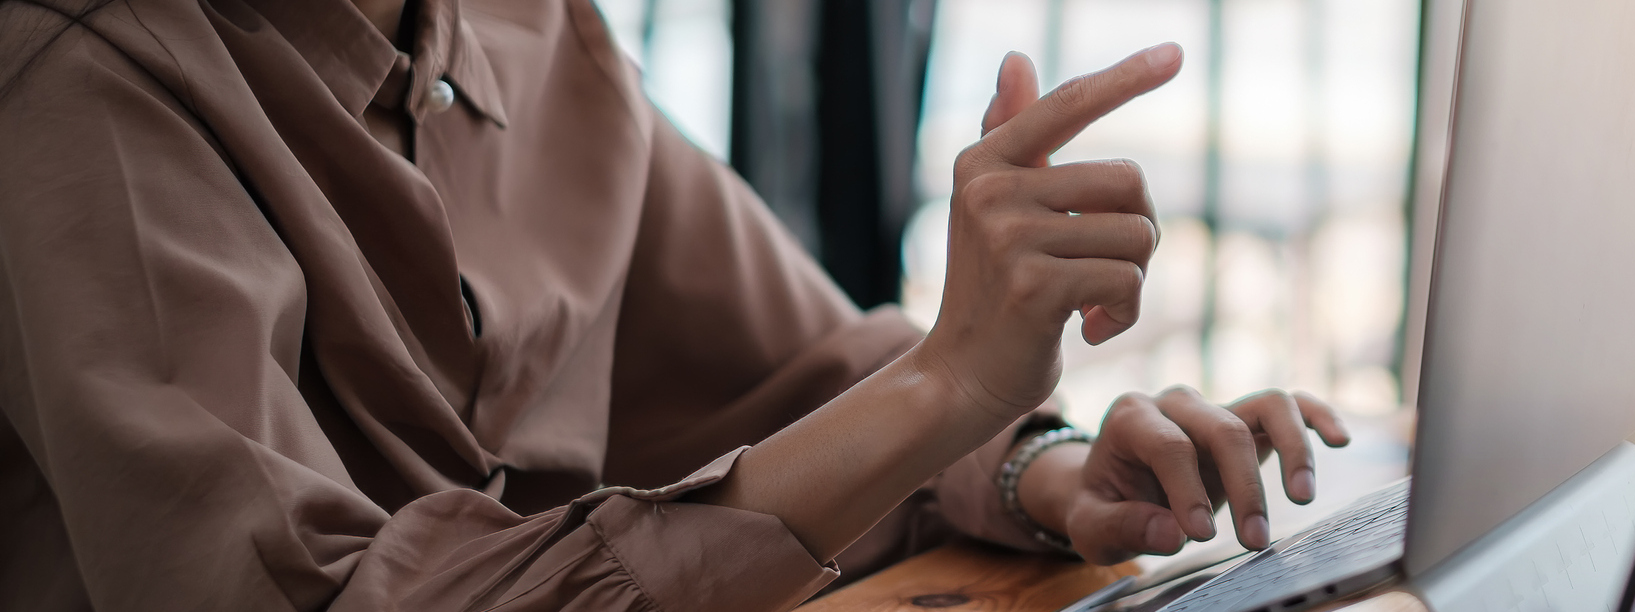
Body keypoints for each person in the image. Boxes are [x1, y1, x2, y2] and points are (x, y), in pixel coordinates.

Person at [0, 0, 1347, 608]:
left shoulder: (529, 31)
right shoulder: (80, 79)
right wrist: (942, 389)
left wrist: (1035, 463)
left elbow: (809, 369)